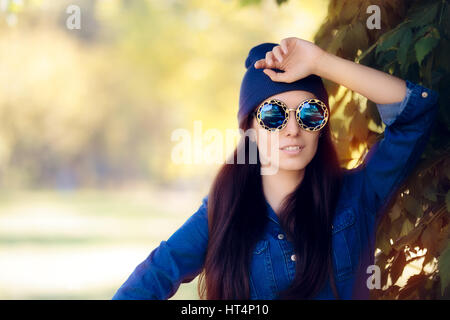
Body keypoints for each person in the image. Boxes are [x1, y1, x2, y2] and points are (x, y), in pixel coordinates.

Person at [112, 37, 439, 300]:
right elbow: (152, 279)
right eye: (273, 116)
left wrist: (319, 62)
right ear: (251, 129)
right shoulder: (222, 211)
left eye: (309, 113)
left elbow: (416, 110)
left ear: (321, 125)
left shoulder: (358, 194)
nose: (292, 129)